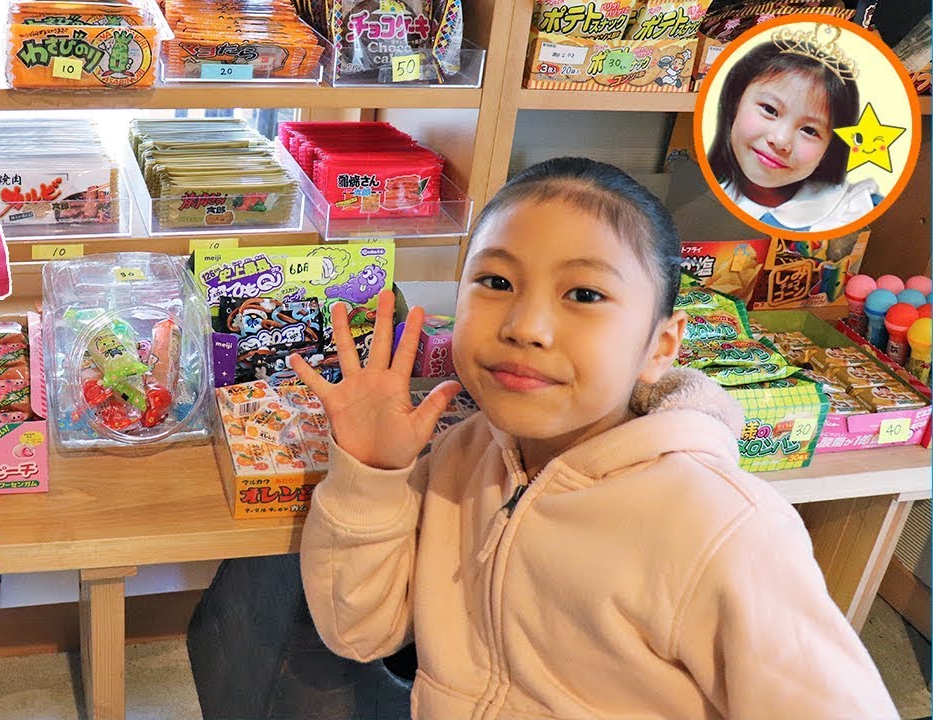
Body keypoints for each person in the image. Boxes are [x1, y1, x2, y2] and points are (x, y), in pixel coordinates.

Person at [292, 157, 898, 719]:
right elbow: (358, 631)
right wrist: (371, 473)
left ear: (660, 346)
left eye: (584, 294)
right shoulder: (462, 455)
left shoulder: (722, 527)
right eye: (496, 282)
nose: (525, 326)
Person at [706, 32, 879, 233]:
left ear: (830, 148)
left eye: (809, 130)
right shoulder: (695, 195)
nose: (780, 140)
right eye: (770, 110)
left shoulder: (850, 209)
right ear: (735, 102)